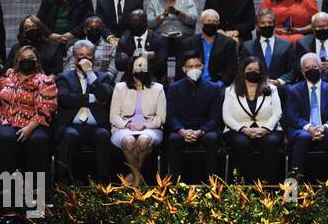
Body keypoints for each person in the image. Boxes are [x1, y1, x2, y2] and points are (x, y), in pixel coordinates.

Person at [0, 46, 57, 190]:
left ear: (37, 62)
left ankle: (37, 191)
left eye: (32, 58)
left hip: (36, 123)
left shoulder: (44, 80)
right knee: (4, 137)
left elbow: (46, 108)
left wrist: (29, 128)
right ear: (17, 61)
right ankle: (6, 191)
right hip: (7, 121)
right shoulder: (6, 79)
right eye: (24, 58)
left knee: (37, 140)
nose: (27, 60)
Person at [53, 39, 114, 182]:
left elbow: (105, 96)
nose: (84, 58)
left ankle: (103, 186)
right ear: (74, 58)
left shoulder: (103, 77)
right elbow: (65, 99)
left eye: (88, 55)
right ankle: (63, 186)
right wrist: (91, 98)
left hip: (96, 125)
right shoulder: (64, 77)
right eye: (80, 55)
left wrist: (90, 73)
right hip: (71, 124)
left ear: (94, 57)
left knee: (103, 135)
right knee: (69, 135)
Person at [163, 51, 225, 181]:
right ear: (184, 69)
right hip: (182, 128)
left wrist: (200, 131)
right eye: (190, 67)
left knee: (212, 139)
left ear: (202, 67)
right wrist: (182, 131)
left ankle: (213, 185)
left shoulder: (213, 88)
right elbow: (171, 116)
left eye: (197, 66)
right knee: (173, 139)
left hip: (205, 129)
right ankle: (176, 185)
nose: (194, 69)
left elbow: (216, 117)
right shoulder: (174, 88)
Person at [284, 53, 328, 180]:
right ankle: (296, 185)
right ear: (302, 72)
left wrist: (324, 127)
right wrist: (309, 128)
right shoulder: (293, 90)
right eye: (307, 68)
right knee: (303, 136)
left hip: (325, 129)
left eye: (314, 66)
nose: (311, 70)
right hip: (302, 129)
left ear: (320, 68)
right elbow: (292, 116)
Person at [109, 55, 166, 187]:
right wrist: (127, 124)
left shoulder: (158, 88)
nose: (142, 69)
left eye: (144, 66)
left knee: (143, 140)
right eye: (138, 66)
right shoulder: (120, 87)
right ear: (131, 68)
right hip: (123, 128)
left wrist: (145, 125)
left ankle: (133, 177)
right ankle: (138, 177)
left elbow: (161, 118)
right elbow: (113, 116)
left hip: (150, 128)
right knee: (129, 141)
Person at [224, 57, 283, 182]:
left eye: (257, 70)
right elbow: (227, 116)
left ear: (261, 72)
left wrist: (265, 129)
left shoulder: (272, 89)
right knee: (242, 143)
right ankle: (250, 184)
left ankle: (269, 184)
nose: (253, 72)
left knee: (271, 142)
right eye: (249, 69)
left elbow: (277, 113)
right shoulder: (230, 91)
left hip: (267, 128)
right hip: (239, 129)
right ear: (243, 71)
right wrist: (244, 130)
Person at [241, 10, 297, 88]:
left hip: (281, 89)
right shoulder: (247, 46)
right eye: (263, 23)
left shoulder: (287, 45)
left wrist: (279, 82)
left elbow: (293, 70)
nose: (267, 25)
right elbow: (242, 70)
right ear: (257, 26)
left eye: (270, 23)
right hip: (255, 88)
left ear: (274, 25)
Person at [182, 9, 239, 87]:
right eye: (208, 21)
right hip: (192, 83)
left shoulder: (228, 43)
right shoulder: (189, 42)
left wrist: (219, 84)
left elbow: (231, 69)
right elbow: (182, 66)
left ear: (218, 24)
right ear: (201, 23)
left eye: (214, 22)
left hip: (218, 84)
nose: (211, 24)